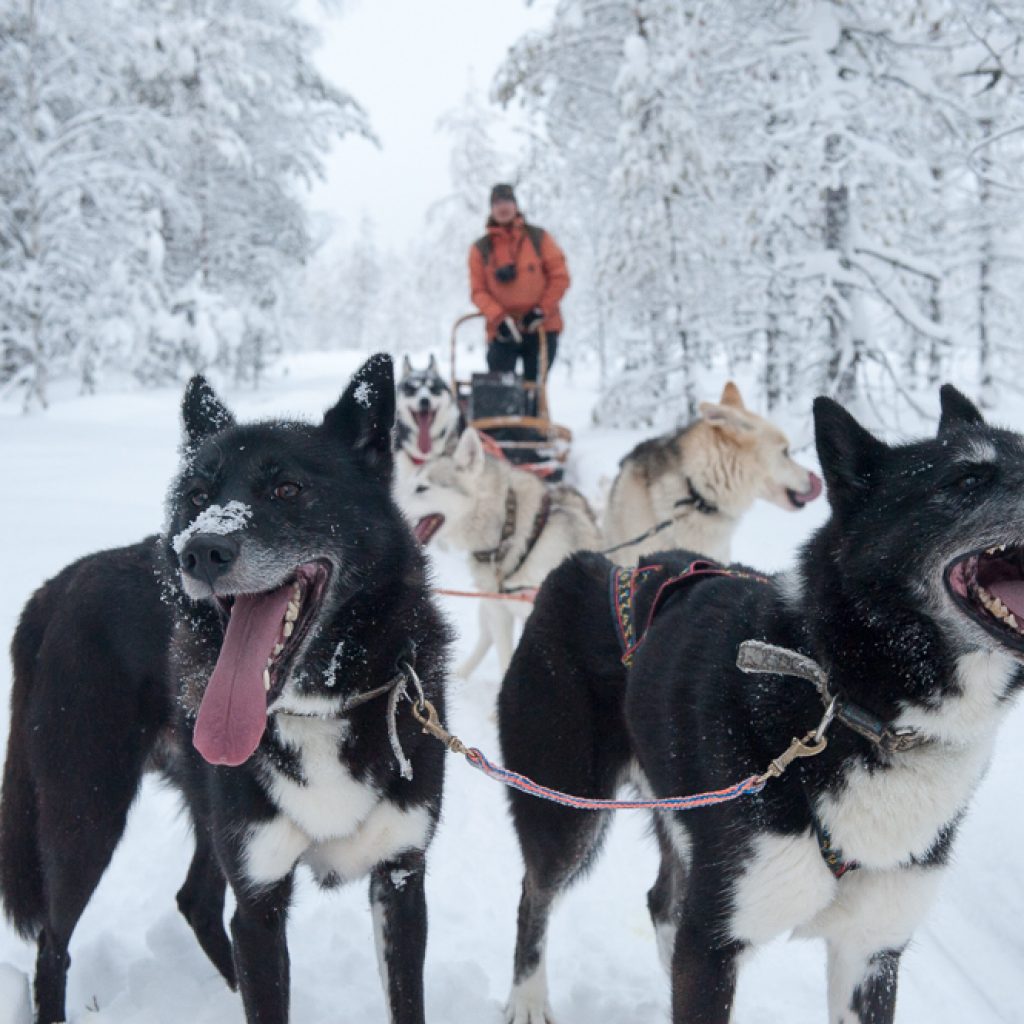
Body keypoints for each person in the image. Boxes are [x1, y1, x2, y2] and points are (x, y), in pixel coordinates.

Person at [468, 183, 570, 383]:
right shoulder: (481, 248)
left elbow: (560, 277)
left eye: (507, 201)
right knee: (500, 385)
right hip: (502, 331)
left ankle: (534, 404)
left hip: (541, 327)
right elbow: (478, 291)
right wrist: (499, 318)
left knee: (535, 386)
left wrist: (541, 310)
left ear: (515, 205)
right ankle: (503, 404)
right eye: (497, 203)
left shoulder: (538, 238)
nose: (503, 207)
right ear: (491, 209)